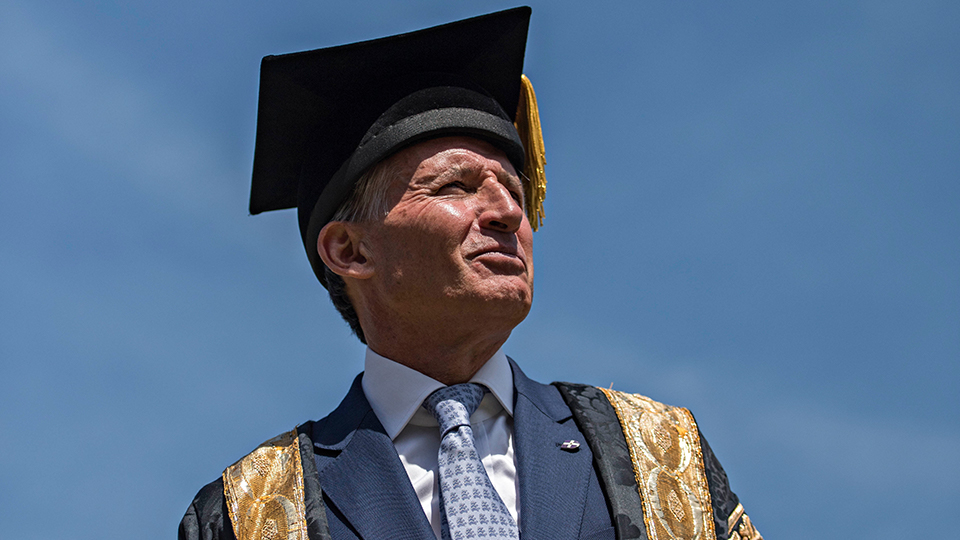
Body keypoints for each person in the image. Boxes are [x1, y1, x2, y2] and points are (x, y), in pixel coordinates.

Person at [179, 7, 761, 540]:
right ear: (351, 251)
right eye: (456, 187)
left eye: (513, 189)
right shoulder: (254, 512)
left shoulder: (655, 453)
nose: (509, 212)